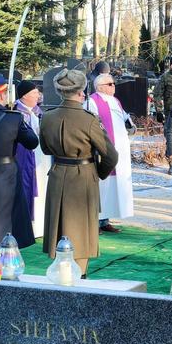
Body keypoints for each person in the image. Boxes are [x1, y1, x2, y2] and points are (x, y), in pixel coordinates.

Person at [40, 69, 118, 277]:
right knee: (81, 233)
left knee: (59, 228)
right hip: (83, 176)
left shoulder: (47, 117)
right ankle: (79, 278)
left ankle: (62, 275)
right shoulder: (89, 119)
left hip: (58, 175)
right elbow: (111, 156)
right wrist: (97, 173)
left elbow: (46, 149)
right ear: (81, 91)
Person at [0, 74, 38, 248]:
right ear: (2, 95)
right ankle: (3, 260)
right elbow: (32, 141)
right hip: (6, 171)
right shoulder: (13, 117)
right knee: (4, 219)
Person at [86, 73, 135, 233]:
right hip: (104, 149)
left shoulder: (115, 101)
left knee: (113, 186)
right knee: (102, 184)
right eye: (110, 84)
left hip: (119, 149)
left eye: (113, 83)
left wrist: (131, 126)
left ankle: (105, 219)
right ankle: (94, 221)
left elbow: (125, 117)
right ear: (100, 86)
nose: (113, 86)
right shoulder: (92, 101)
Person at [14, 81, 50, 238]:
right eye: (35, 92)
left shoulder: (37, 111)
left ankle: (41, 226)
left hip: (40, 156)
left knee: (41, 187)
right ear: (25, 96)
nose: (38, 95)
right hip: (24, 156)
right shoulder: (16, 112)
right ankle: (26, 226)